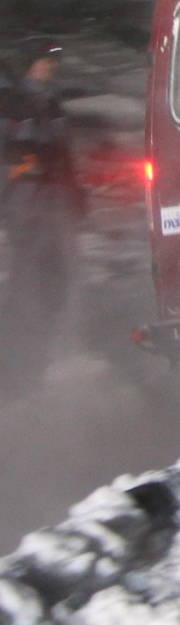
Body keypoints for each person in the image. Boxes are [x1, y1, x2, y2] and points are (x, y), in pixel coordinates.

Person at [1, 44, 82, 386]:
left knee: (54, 278)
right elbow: (11, 155)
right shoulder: (14, 103)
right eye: (44, 61)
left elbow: (62, 151)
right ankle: (20, 366)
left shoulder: (51, 102)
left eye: (53, 61)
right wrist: (24, 166)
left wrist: (75, 193)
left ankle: (37, 358)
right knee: (30, 280)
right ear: (31, 64)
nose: (50, 66)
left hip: (51, 201)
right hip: (28, 202)